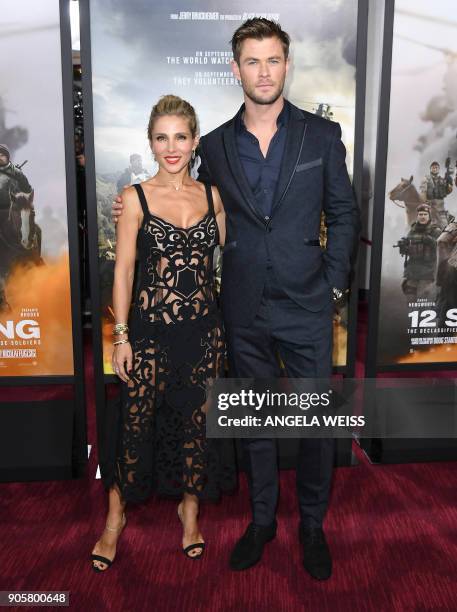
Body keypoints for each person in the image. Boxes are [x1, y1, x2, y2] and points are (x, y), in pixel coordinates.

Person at [113, 18, 360, 580]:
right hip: (242, 310)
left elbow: (344, 213)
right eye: (252, 61)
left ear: (287, 64)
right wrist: (127, 207)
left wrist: (335, 285)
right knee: (254, 423)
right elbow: (178, 191)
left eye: (273, 60)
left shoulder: (322, 137)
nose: (264, 71)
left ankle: (313, 525)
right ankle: (263, 520)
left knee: (315, 423)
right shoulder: (218, 144)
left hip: (308, 305)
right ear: (236, 69)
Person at [91, 95, 236, 572]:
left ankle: (189, 514)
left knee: (198, 426)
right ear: (150, 143)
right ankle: (115, 519)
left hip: (203, 334)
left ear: (195, 141)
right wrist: (121, 336)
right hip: (150, 333)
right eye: (161, 137)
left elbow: (229, 256)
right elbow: (125, 271)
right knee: (135, 424)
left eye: (180, 137)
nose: (170, 147)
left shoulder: (213, 197)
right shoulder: (134, 198)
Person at [398, 204, 441, 301]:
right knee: (410, 295)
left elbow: (439, 245)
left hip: (428, 268)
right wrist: (404, 247)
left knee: (423, 297)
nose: (422, 217)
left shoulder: (435, 230)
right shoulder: (412, 230)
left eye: (425, 214)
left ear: (429, 215)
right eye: (420, 214)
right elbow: (408, 249)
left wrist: (426, 239)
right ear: (417, 216)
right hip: (412, 267)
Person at [419, 160, 453, 229]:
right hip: (430, 207)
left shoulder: (442, 180)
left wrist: (449, 182)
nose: (435, 169)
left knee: (445, 227)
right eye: (433, 168)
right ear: (430, 169)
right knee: (427, 227)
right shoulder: (426, 179)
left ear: (438, 169)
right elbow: (423, 193)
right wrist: (425, 205)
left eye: (436, 168)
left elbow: (448, 191)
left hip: (441, 209)